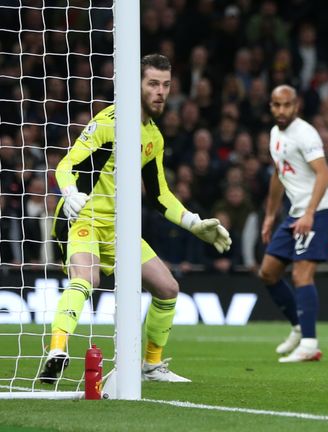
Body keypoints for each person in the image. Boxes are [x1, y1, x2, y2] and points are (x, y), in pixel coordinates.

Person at [41, 54, 232, 384]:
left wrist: (194, 223)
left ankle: (151, 365)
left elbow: (160, 196)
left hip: (120, 228)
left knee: (168, 287)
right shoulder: (108, 122)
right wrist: (70, 192)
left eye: (166, 85)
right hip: (83, 216)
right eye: (153, 84)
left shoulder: (153, 137)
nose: (161, 92)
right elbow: (65, 164)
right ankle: (56, 350)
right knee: (87, 279)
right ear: (137, 85)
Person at [257, 85, 328, 363]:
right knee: (268, 272)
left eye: (286, 105)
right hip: (295, 213)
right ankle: (298, 327)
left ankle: (310, 343)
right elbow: (279, 174)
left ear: (297, 105)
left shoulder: (305, 133)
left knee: (302, 276)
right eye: (276, 105)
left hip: (317, 212)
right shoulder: (275, 133)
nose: (281, 110)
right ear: (271, 106)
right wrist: (270, 214)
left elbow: (324, 174)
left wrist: (309, 213)